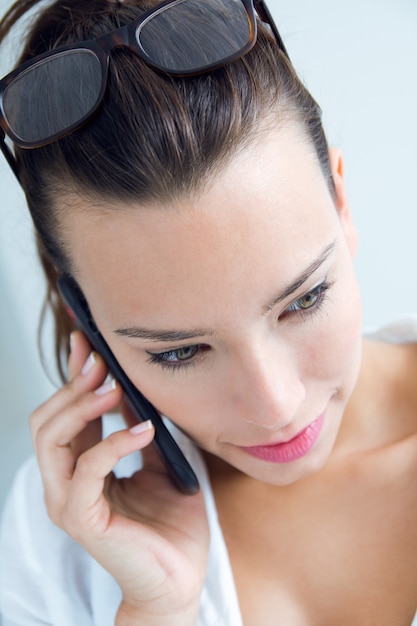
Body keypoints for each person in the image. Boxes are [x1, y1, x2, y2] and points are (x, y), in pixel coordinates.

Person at [0, 0, 416, 624]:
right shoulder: (60, 534)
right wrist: (157, 609)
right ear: (87, 321)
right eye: (179, 351)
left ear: (341, 201)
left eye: (303, 300)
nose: (275, 406)